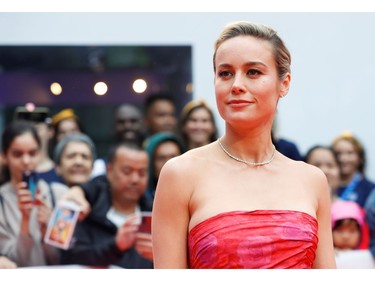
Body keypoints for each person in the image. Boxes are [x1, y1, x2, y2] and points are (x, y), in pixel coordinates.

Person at [152, 21, 336, 269]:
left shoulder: (312, 180)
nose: (236, 85)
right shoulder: (180, 174)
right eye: (225, 73)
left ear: (284, 83)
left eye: (253, 72)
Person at [60, 142, 153, 268]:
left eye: (142, 173)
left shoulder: (155, 216)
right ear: (109, 170)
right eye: (127, 171)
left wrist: (161, 257)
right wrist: (116, 245)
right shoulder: (87, 210)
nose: (135, 179)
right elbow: (69, 259)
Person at [0, 121, 68, 267]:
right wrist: (25, 221)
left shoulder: (60, 194)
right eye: (17, 154)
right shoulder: (2, 201)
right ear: (5, 156)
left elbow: (63, 259)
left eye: (32, 153)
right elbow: (12, 262)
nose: (26, 161)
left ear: (40, 154)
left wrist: (47, 231)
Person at [91, 103, 145, 178]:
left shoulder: (155, 161)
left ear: (143, 125)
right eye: (121, 122)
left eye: (133, 121)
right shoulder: (100, 167)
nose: (127, 126)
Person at [332, 132, 375, 207]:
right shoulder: (328, 187)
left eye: (350, 153)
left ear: (360, 158)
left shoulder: (370, 189)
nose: (343, 159)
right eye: (338, 153)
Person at [143, 132, 185, 206]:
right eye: (161, 158)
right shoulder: (141, 200)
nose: (168, 163)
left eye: (173, 157)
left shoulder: (194, 194)